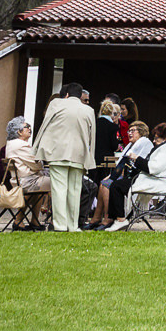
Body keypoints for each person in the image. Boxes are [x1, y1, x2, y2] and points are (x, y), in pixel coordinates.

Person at [35, 82, 96, 232]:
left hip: (57, 152)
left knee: (59, 189)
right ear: (80, 95)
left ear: (66, 94)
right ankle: (72, 225)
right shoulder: (88, 110)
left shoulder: (56, 103)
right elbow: (91, 137)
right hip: (79, 154)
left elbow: (45, 125)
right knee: (75, 191)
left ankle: (60, 225)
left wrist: (36, 148)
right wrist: (90, 158)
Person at [89, 120, 152, 229]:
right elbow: (123, 162)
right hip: (127, 175)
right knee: (103, 183)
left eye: (133, 131)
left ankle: (108, 218)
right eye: (129, 131)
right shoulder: (131, 145)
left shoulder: (144, 142)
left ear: (141, 132)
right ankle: (96, 218)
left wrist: (113, 177)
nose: (129, 133)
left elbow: (126, 162)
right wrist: (112, 176)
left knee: (107, 185)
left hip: (137, 178)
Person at [121, 122, 166, 226]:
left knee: (117, 187)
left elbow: (154, 168)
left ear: (165, 138)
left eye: (156, 139)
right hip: (154, 180)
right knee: (119, 185)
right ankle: (122, 218)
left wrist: (137, 158)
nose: (153, 141)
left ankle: (120, 220)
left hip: (157, 182)